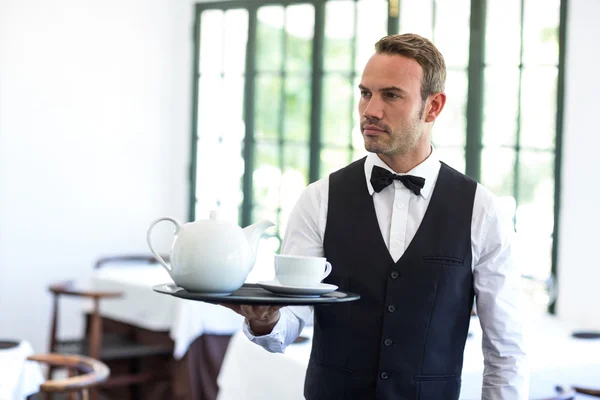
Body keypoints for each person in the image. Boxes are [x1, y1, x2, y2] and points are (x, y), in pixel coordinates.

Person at [223, 33, 529, 399]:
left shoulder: (481, 210)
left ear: (432, 107)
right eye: (365, 93)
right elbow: (288, 326)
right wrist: (266, 321)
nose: (370, 110)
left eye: (391, 95)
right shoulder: (319, 199)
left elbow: (506, 350)